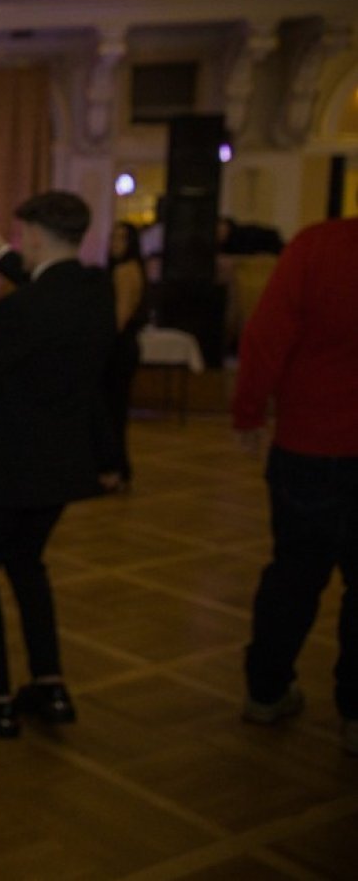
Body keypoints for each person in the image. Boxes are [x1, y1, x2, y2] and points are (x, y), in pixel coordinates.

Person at [0, 194, 116, 738]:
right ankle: (50, 686)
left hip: (8, 467)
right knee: (28, 565)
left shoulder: (23, 308)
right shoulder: (96, 292)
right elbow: (49, 293)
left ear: (34, 235)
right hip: (64, 465)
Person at [232, 217, 358, 757]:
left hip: (308, 444)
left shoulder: (318, 245)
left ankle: (267, 690)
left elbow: (267, 334)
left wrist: (248, 413)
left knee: (293, 574)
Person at [103, 220, 148, 488]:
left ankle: (113, 469)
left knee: (111, 411)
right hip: (122, 346)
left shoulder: (124, 271)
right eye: (113, 237)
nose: (115, 243)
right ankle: (116, 468)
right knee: (114, 410)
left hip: (117, 348)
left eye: (121, 238)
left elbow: (119, 318)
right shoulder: (133, 268)